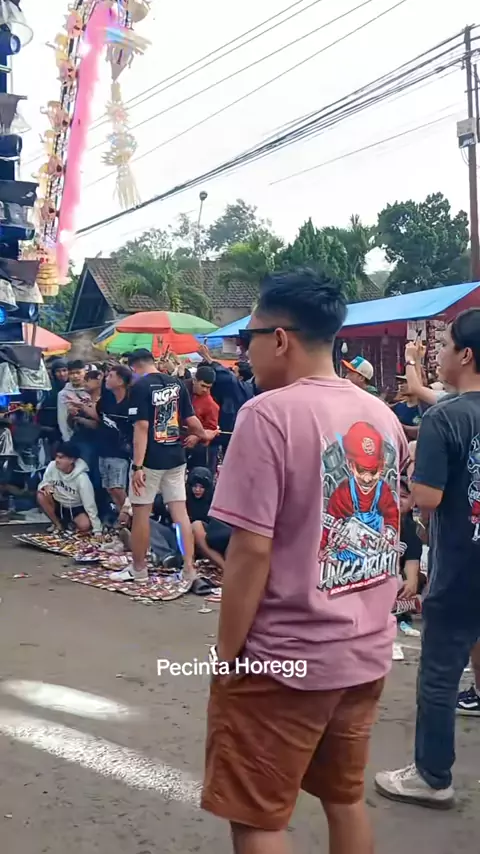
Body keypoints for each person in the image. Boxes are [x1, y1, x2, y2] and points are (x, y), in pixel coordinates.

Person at [201, 268, 407, 854]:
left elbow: (250, 550)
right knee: (344, 799)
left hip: (284, 658)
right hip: (365, 651)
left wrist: (227, 654)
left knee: (258, 819)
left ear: (280, 338)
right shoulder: (381, 416)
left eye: (249, 338)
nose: (246, 352)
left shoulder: (267, 415)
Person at [375, 308, 480, 809]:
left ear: (466, 355)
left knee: (439, 673)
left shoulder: (445, 419)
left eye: (446, 345)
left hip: (462, 566)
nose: (440, 354)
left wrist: (415, 479)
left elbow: (428, 498)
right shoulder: (451, 409)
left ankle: (432, 776)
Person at [110, 349, 217, 583]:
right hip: (176, 457)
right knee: (180, 514)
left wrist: (138, 467)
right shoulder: (177, 383)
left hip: (150, 460)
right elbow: (191, 419)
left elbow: (141, 427)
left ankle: (139, 569)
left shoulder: (140, 387)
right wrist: (205, 434)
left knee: (141, 513)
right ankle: (188, 569)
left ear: (134, 367)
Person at [92, 364, 133, 513]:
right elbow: (99, 418)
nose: (106, 379)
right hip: (103, 449)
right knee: (110, 489)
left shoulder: (131, 403)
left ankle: (130, 517)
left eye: (110, 376)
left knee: (118, 488)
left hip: (120, 452)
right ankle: (121, 518)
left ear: (121, 381)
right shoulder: (105, 401)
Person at [37, 441, 101, 534]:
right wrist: (45, 486)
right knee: (41, 495)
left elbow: (89, 504)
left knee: (85, 525)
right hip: (58, 503)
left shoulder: (82, 478)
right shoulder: (52, 466)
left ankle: (70, 524)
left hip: (75, 507)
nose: (57, 460)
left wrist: (97, 529)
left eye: (61, 457)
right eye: (56, 457)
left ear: (71, 460)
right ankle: (57, 525)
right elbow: (43, 483)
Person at [186, 366, 219, 470]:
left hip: (197, 448)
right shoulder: (183, 389)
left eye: (208, 387)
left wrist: (197, 437)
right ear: (194, 380)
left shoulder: (211, 405)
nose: (205, 390)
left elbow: (212, 428)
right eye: (203, 386)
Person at [37, 358, 69, 445]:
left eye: (64, 370)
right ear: (53, 373)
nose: (62, 374)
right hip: (52, 426)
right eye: (58, 371)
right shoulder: (48, 387)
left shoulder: (73, 387)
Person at [57, 360, 90, 442]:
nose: (75, 376)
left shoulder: (92, 390)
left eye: (78, 372)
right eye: (71, 373)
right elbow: (62, 418)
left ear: (85, 372)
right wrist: (66, 439)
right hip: (73, 437)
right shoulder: (63, 394)